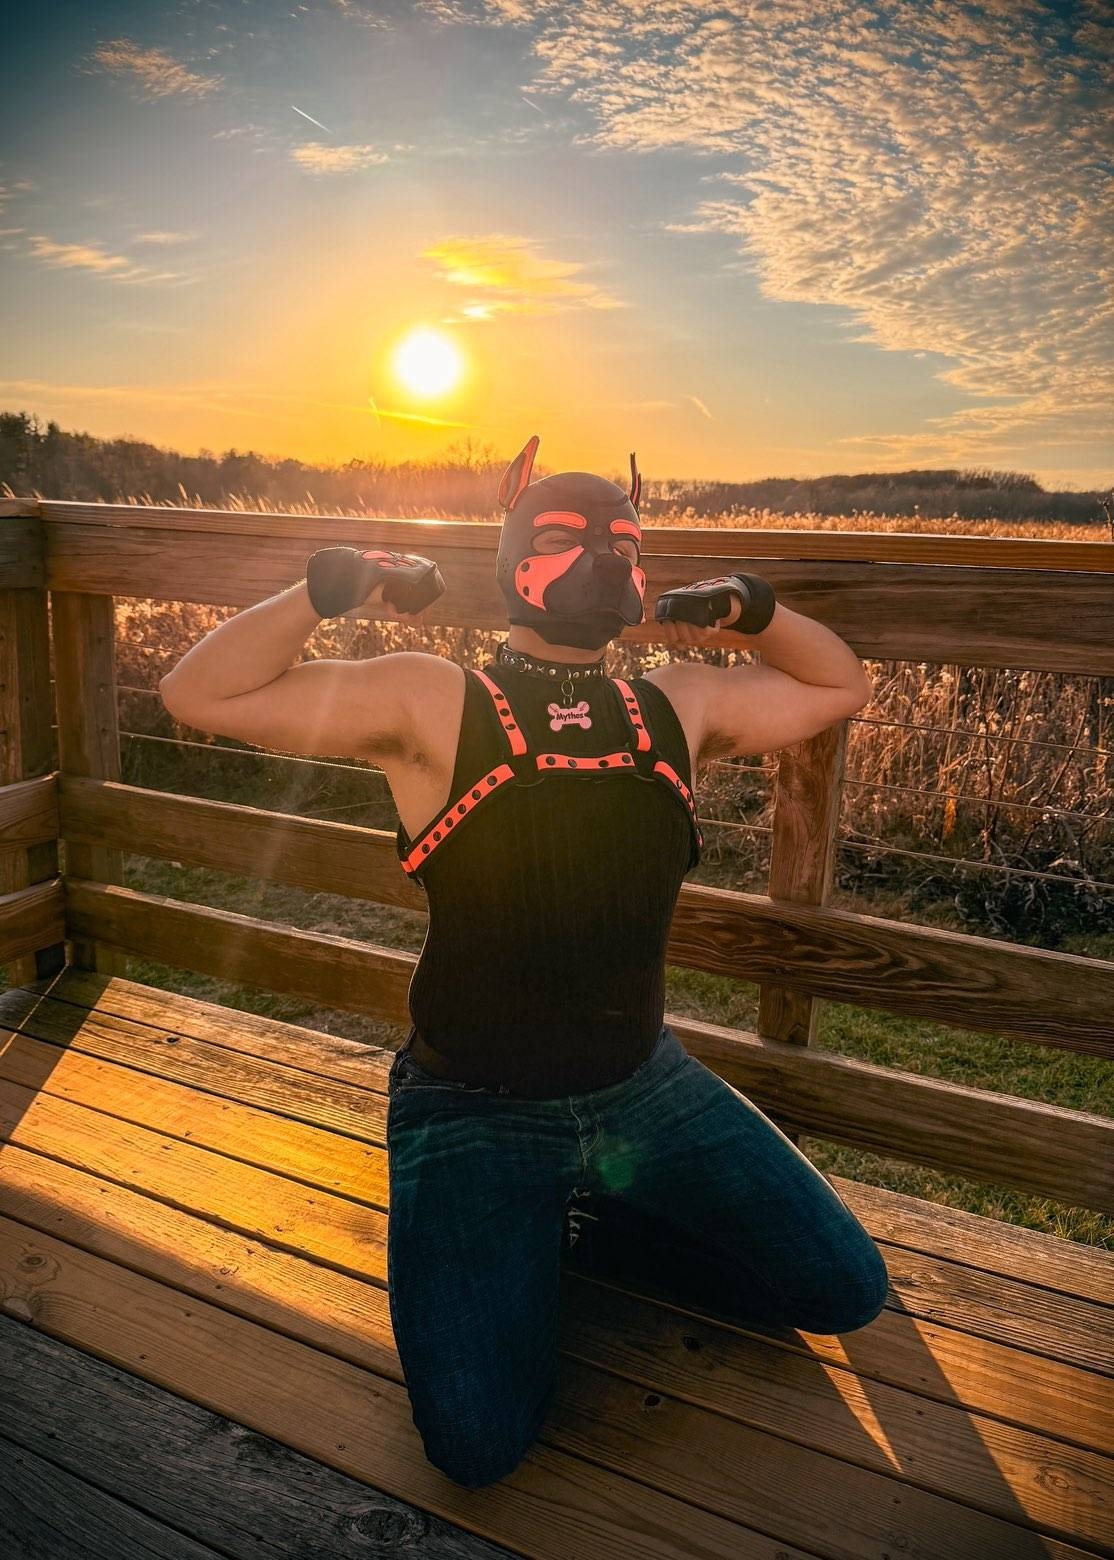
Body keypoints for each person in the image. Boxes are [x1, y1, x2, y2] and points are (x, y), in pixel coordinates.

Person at [158, 435, 889, 1490]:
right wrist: (328, 589)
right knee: (476, 1445)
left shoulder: (675, 705)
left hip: (644, 1088)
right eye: (563, 538)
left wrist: (754, 610)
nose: (599, 560)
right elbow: (199, 694)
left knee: (844, 1289)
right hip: (471, 1107)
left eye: (621, 545)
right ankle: (538, 1227)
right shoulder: (434, 700)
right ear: (513, 558)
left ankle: (588, 1220)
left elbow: (838, 685)